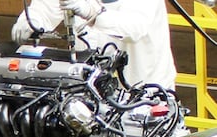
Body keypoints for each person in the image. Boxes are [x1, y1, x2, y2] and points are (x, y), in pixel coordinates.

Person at [11, 0, 177, 90]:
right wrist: (30, 20)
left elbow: (135, 26)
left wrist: (93, 14)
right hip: (93, 91)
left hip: (146, 92)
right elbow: (45, 8)